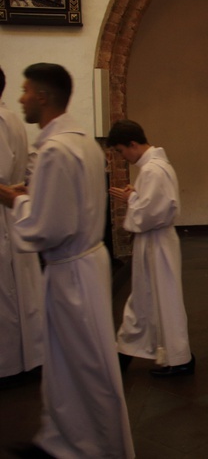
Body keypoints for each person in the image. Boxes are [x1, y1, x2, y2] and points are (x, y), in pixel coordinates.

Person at [0, 63, 134, 458]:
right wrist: (34, 193)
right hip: (84, 264)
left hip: (71, 271)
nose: (20, 99)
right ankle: (66, 439)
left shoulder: (57, 149)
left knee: (82, 367)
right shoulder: (81, 143)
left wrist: (16, 200)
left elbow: (46, 228)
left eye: (25, 91)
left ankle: (91, 444)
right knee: (70, 366)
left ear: (42, 96)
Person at [107, 119, 195, 377]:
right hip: (154, 242)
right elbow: (155, 204)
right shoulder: (153, 168)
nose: (123, 157)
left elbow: (152, 213)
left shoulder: (153, 170)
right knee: (147, 299)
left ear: (133, 144)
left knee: (164, 300)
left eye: (122, 151)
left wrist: (131, 198)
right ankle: (161, 354)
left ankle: (180, 359)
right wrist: (136, 195)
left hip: (157, 242)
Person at [0, 65, 44, 390]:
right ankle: (26, 356)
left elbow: (2, 175)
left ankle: (9, 362)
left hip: (6, 206)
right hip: (13, 207)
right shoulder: (11, 118)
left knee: (8, 293)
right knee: (19, 288)